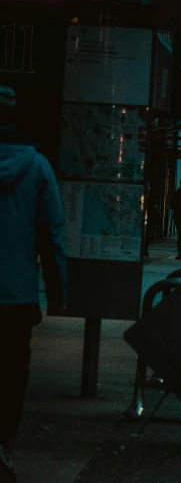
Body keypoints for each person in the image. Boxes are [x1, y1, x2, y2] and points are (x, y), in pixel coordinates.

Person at [0, 86, 67, 483]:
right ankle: (2, 444)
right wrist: (57, 291)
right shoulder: (38, 167)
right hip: (16, 296)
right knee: (10, 373)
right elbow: (51, 233)